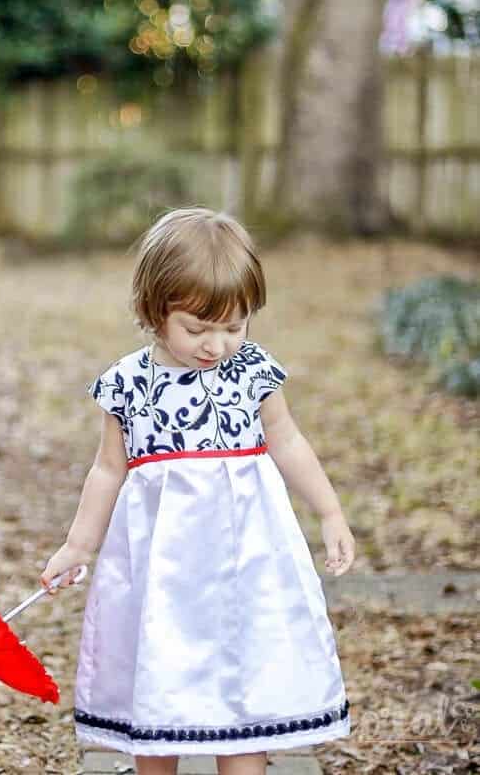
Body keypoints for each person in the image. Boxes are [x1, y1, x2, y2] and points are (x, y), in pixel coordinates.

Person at [40, 207, 355, 775]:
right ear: (155, 311)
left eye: (234, 327)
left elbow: (286, 441)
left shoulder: (253, 371)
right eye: (197, 328)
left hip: (245, 564)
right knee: (159, 680)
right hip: (163, 570)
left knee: (243, 678)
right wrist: (78, 547)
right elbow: (107, 470)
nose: (216, 345)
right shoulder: (128, 383)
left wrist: (329, 512)